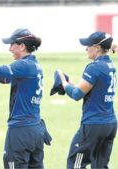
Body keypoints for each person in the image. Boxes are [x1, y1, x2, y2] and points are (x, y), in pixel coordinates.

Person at [0, 28, 46, 168]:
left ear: (22, 46)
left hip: (21, 130)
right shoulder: (35, 65)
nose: (9, 49)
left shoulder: (24, 65)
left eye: (12, 45)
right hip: (35, 129)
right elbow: (3, 79)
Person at [56, 31, 117, 168]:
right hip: (110, 124)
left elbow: (77, 94)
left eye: (88, 45)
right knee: (100, 166)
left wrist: (63, 82)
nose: (86, 48)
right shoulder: (110, 65)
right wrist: (70, 82)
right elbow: (86, 89)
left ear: (97, 47)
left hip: (94, 124)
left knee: (75, 163)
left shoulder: (94, 67)